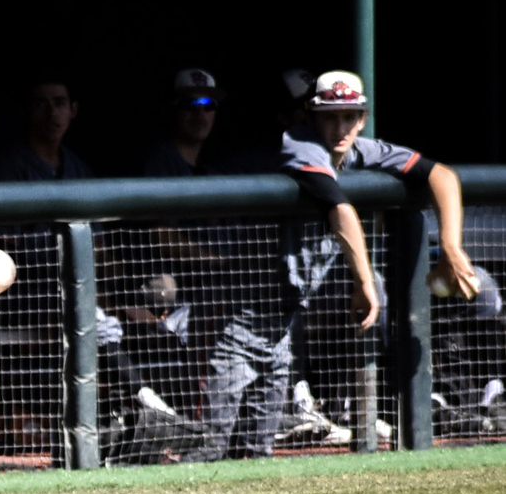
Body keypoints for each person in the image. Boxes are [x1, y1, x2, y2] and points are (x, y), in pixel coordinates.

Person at [191, 71, 481, 460]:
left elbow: (442, 175)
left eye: (349, 116)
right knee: (205, 446)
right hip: (231, 314)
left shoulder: (361, 150)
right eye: (330, 116)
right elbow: (339, 208)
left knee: (255, 450)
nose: (340, 127)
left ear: (362, 118)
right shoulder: (301, 144)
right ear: (311, 116)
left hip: (281, 322)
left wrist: (450, 246)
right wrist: (364, 282)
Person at [0, 82, 95, 182]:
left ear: (73, 110)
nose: (52, 113)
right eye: (40, 104)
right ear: (25, 112)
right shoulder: (7, 166)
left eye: (60, 103)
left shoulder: (78, 169)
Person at [138, 69, 219, 177]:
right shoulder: (157, 162)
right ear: (168, 111)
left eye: (208, 104)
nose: (200, 112)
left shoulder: (207, 171)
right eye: (189, 103)